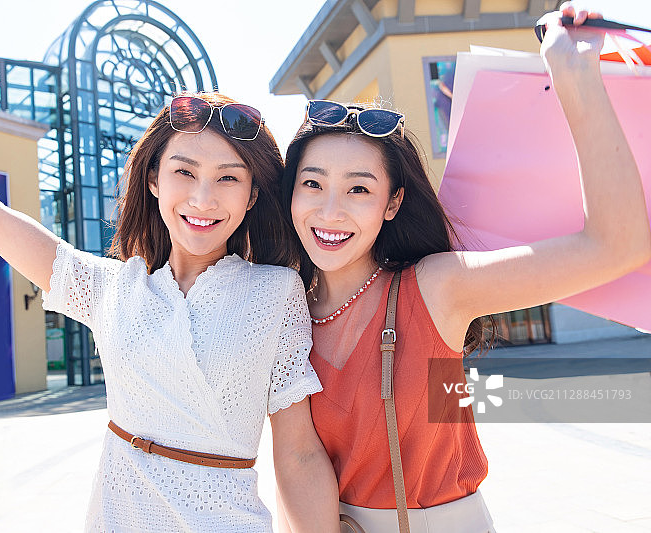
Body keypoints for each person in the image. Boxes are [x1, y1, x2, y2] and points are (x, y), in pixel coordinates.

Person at [0, 91, 340, 532]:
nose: (202, 198)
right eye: (184, 172)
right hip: (116, 517)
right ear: (153, 179)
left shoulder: (277, 292)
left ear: (252, 195)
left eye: (228, 178)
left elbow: (298, 453)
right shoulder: (109, 288)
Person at [277, 4, 651, 533]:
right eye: (312, 184)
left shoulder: (437, 287)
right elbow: (295, 461)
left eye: (359, 189)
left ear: (392, 203)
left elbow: (615, 245)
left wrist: (575, 75)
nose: (330, 210)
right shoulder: (281, 309)